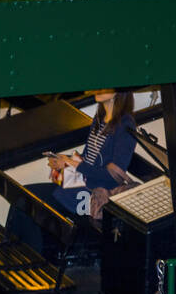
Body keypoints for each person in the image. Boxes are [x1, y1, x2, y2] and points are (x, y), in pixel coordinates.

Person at [8, 90, 138, 254]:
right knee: (22, 195)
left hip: (93, 197)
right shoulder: (99, 119)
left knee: (30, 202)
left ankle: (27, 257)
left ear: (119, 91)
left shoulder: (125, 125)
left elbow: (114, 176)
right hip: (80, 187)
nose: (98, 88)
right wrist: (64, 161)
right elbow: (87, 158)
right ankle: (16, 251)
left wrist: (73, 164)